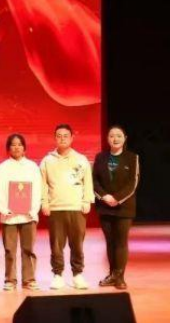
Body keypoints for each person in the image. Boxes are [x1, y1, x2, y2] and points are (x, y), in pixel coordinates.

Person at [40, 124, 94, 290]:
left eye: (65, 136)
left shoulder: (81, 159)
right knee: (56, 244)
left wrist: (87, 201)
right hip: (56, 208)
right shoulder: (47, 160)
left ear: (71, 138)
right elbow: (43, 184)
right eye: (59, 136)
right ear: (55, 138)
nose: (62, 139)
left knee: (77, 243)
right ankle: (58, 275)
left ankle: (77, 274)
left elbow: (87, 182)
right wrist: (44, 202)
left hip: (76, 207)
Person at [93, 125, 139, 290]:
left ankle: (119, 277)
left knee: (120, 242)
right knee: (110, 242)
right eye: (112, 136)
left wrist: (117, 199)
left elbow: (133, 183)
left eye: (119, 136)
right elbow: (94, 181)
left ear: (124, 139)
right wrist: (104, 196)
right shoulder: (100, 157)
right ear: (107, 139)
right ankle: (112, 274)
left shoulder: (132, 158)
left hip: (124, 207)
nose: (115, 138)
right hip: (104, 206)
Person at [0, 134, 42, 291]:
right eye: (13, 145)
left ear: (24, 148)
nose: (16, 147)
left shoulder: (32, 167)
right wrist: (3, 208)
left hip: (28, 215)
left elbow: (37, 190)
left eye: (20, 144)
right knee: (10, 250)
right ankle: (10, 279)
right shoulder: (1, 168)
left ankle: (29, 279)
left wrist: (33, 209)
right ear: (8, 148)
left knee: (29, 249)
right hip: (9, 216)